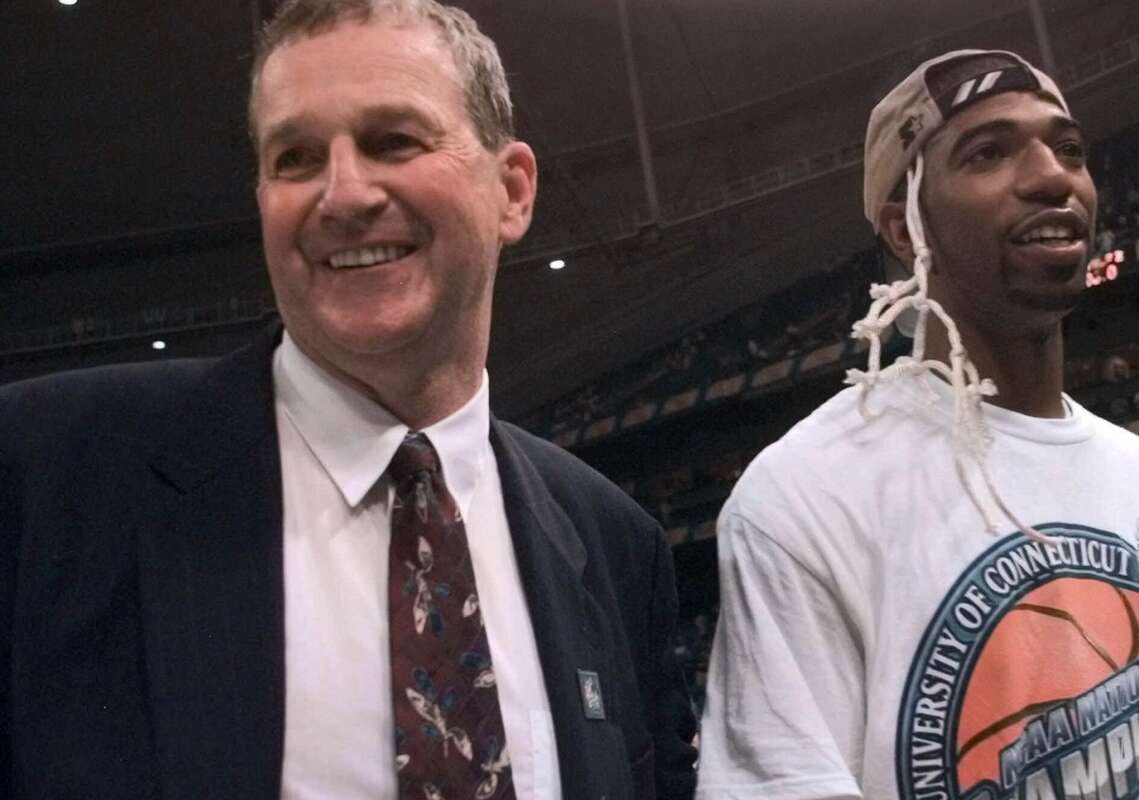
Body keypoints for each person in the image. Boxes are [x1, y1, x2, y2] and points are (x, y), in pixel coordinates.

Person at [0, 1, 697, 798]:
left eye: (392, 140)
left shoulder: (612, 543)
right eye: (294, 158)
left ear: (512, 190)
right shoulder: (47, 472)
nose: (342, 194)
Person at [697, 50, 1139, 800]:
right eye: (988, 153)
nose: (1051, 176)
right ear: (906, 229)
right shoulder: (803, 496)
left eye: (1068, 149)